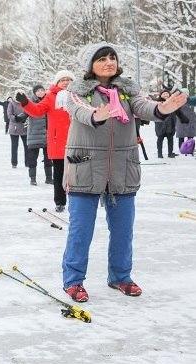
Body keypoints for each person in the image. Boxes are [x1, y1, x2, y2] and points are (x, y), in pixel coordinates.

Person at [59, 42, 186, 302]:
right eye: (102, 59)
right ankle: (73, 281)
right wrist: (98, 113)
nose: (109, 62)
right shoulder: (76, 90)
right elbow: (80, 112)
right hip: (85, 168)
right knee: (81, 230)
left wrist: (163, 109)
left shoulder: (127, 90)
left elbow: (144, 107)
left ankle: (120, 276)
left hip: (122, 169)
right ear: (89, 65)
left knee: (123, 230)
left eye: (112, 58)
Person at [17, 70, 75, 212]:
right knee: (59, 174)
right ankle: (60, 201)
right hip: (58, 141)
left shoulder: (78, 95)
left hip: (77, 140)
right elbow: (37, 110)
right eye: (63, 80)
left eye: (69, 79)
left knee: (78, 174)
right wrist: (25, 101)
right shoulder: (50, 97)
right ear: (57, 82)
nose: (66, 82)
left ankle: (78, 201)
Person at [24, 85, 53, 185]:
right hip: (34, 135)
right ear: (34, 93)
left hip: (47, 135)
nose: (41, 92)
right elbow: (25, 112)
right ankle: (33, 179)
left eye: (42, 90)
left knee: (48, 158)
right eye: (38, 91)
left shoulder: (49, 101)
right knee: (32, 158)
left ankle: (49, 178)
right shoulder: (30, 103)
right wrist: (17, 118)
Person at [154, 90, 178, 158]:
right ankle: (159, 154)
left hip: (170, 124)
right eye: (164, 94)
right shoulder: (157, 103)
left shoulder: (172, 103)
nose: (165, 95)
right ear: (161, 95)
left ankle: (170, 153)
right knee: (160, 139)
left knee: (170, 139)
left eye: (167, 93)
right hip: (160, 124)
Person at [7, 97, 28, 168]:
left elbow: (29, 112)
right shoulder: (12, 103)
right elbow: (9, 114)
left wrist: (24, 117)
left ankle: (27, 163)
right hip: (14, 128)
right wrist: (16, 118)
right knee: (14, 146)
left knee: (27, 146)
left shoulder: (26, 102)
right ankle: (14, 163)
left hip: (24, 127)